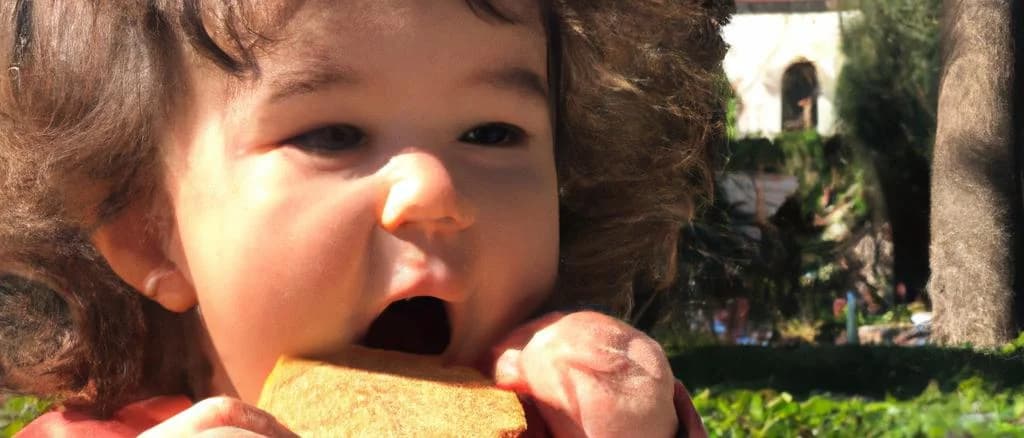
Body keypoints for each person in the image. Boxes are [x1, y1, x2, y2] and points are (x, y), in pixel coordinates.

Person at [0, 0, 730, 436]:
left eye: (491, 133)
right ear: (146, 231)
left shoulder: (563, 420)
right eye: (332, 136)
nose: (433, 188)